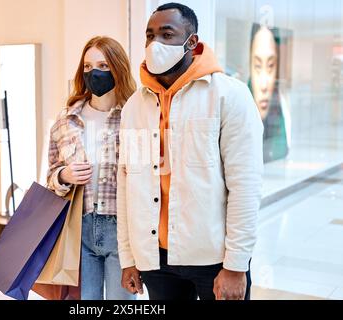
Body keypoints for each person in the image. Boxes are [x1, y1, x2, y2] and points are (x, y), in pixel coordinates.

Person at [117, 2, 264, 300]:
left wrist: (236, 264)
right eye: (150, 35)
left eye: (167, 34)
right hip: (156, 258)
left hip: (213, 258)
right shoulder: (135, 106)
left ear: (192, 42)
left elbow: (245, 185)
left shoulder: (229, 95)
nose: (155, 43)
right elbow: (126, 183)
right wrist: (129, 258)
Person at [47, 36, 137, 300]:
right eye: (87, 67)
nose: (93, 73)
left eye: (102, 65)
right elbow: (51, 176)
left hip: (123, 230)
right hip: (79, 228)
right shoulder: (66, 120)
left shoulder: (134, 116)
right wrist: (64, 175)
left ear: (118, 68)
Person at [249, 23, 290, 163]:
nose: (264, 85)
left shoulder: (283, 109)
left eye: (271, 66)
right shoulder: (236, 111)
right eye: (257, 66)